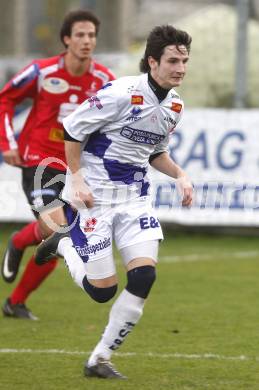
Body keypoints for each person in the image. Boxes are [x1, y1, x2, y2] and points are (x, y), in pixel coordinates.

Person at [35, 24, 193, 378]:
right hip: (96, 202)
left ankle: (100, 359)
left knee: (144, 276)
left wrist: (181, 175)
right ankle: (65, 245)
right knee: (102, 292)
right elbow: (73, 128)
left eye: (184, 60)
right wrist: (75, 179)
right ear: (152, 62)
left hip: (134, 201)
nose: (180, 67)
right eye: (173, 60)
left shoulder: (176, 106)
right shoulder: (121, 92)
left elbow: (154, 152)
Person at [0, 9, 115, 320]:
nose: (87, 41)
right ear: (67, 39)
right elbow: (5, 98)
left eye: (91, 35)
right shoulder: (41, 71)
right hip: (40, 160)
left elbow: (116, 118)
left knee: (57, 239)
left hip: (77, 167)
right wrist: (7, 143)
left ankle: (16, 299)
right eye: (80, 35)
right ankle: (23, 244)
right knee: (58, 231)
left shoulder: (105, 80)